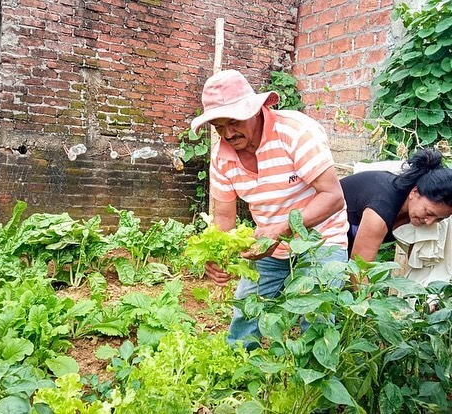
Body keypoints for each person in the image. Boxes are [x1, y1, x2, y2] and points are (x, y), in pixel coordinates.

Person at [190, 69, 349, 349]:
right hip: (269, 245)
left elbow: (333, 196)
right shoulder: (222, 157)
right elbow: (224, 217)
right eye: (219, 126)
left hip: (321, 240)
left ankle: (312, 385)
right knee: (245, 311)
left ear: (255, 109)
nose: (228, 133)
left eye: (234, 122)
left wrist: (281, 229)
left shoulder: (295, 132)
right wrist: (218, 256)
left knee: (316, 318)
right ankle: (238, 371)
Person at [340, 148, 452, 264]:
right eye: (429, 213)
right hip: (324, 237)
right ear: (414, 192)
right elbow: (359, 268)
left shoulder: (416, 211)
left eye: (439, 219)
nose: (429, 222)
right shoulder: (381, 207)